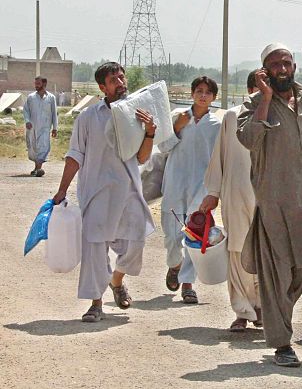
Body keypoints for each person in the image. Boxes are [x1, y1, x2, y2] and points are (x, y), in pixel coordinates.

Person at [237, 42, 302, 367]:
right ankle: (282, 342)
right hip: (273, 204)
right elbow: (247, 139)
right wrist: (267, 99)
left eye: (286, 63)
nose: (281, 69)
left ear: (294, 67)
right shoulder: (255, 102)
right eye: (275, 65)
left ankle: (276, 313)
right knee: (275, 276)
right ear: (265, 70)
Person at [52, 62, 157, 322]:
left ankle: (116, 281)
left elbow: (142, 158)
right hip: (97, 192)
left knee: (136, 243)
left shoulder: (137, 114)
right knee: (95, 250)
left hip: (129, 191)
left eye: (122, 78)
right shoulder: (88, 117)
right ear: (102, 87)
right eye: (114, 80)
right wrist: (62, 190)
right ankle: (95, 303)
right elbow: (75, 155)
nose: (121, 83)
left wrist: (150, 133)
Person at [200, 70, 261, 331]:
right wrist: (213, 192)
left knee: (266, 252)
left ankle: (263, 307)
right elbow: (220, 156)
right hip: (235, 194)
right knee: (237, 249)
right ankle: (242, 310)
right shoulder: (232, 116)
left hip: (267, 196)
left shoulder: (281, 118)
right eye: (257, 88)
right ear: (249, 90)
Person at [159, 76, 221, 305]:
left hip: (200, 185)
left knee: (193, 235)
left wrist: (214, 190)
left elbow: (219, 158)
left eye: (208, 92)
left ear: (214, 97)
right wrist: (177, 127)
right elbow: (163, 146)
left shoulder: (217, 125)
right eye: (199, 91)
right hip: (175, 181)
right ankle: (174, 265)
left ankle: (188, 284)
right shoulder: (178, 117)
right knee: (171, 236)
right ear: (192, 93)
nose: (203, 95)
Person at [23, 76, 58, 177]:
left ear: (44, 84)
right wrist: (27, 121)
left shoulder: (51, 98)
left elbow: (54, 113)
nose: (36, 86)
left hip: (45, 128)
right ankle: (36, 168)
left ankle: (39, 168)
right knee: (33, 148)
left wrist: (55, 128)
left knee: (43, 147)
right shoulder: (31, 97)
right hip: (32, 127)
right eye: (35, 84)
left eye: (38, 84)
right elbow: (26, 110)